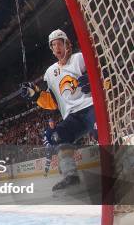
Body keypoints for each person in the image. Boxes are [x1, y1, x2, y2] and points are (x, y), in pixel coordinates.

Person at [20, 29, 96, 192]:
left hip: (91, 107)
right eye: (53, 45)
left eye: (59, 43)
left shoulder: (79, 59)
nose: (57, 48)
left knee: (101, 132)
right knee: (57, 136)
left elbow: (102, 76)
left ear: (67, 44)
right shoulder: (50, 73)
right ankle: (71, 176)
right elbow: (52, 102)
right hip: (72, 117)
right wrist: (35, 95)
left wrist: (94, 82)